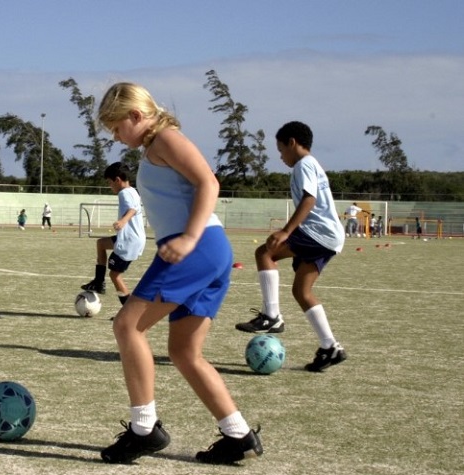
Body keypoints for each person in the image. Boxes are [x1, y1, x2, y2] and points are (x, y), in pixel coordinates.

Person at [95, 82, 262, 465]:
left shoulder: (165, 140)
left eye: (118, 128)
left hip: (196, 248)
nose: (117, 137)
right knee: (185, 352)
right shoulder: (154, 147)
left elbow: (209, 182)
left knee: (127, 326)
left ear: (136, 116)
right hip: (208, 250)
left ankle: (144, 428)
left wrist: (188, 238)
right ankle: (239, 435)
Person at [236, 121, 347, 374]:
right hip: (330, 238)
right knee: (301, 291)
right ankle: (330, 346)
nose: (281, 156)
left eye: (281, 149)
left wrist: (286, 231)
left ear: (292, 143)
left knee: (265, 252)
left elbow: (310, 199)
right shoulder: (312, 164)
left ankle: (271, 316)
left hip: (318, 233)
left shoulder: (303, 165)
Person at [81, 162, 146, 306]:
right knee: (101, 243)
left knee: (115, 275)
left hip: (129, 241)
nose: (110, 186)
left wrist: (123, 221)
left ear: (117, 180)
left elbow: (132, 209)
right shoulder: (133, 191)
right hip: (133, 238)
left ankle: (127, 311)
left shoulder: (124, 193)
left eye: (110, 183)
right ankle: (98, 282)